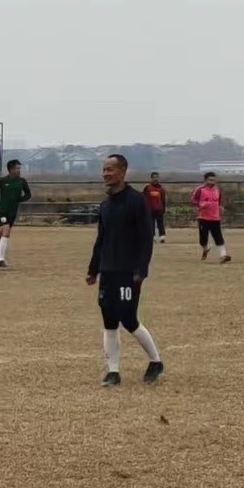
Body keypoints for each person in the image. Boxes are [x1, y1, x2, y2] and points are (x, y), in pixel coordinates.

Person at [87, 154, 164, 386]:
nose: (105, 173)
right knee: (109, 320)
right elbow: (101, 239)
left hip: (128, 272)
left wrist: (141, 269)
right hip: (108, 270)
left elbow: (145, 237)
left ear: (122, 171)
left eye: (110, 169)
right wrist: (93, 269)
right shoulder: (105, 205)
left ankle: (155, 361)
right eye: (104, 169)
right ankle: (113, 371)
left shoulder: (136, 200)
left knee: (128, 318)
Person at [0, 158, 31, 267]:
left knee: (2, 233)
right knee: (6, 232)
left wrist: (20, 199)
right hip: (2, 211)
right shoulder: (2, 181)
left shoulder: (22, 181)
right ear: (10, 169)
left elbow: (28, 194)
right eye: (17, 168)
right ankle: (1, 260)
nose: (19, 170)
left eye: (19, 168)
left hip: (12, 212)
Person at [191, 171, 231, 262]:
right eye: (210, 180)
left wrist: (221, 207)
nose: (212, 182)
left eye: (214, 180)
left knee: (218, 236)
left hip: (215, 217)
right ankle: (205, 248)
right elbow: (193, 200)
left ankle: (223, 255)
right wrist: (201, 204)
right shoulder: (200, 189)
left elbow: (220, 200)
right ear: (205, 180)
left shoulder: (217, 190)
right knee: (203, 237)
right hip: (203, 217)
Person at [145, 172, 168, 243]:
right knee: (151, 223)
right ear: (151, 178)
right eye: (154, 177)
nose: (155, 179)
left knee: (160, 223)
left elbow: (163, 199)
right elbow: (144, 198)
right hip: (150, 209)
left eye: (157, 177)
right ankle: (153, 236)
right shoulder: (147, 188)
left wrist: (163, 208)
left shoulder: (161, 189)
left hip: (159, 209)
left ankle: (162, 236)